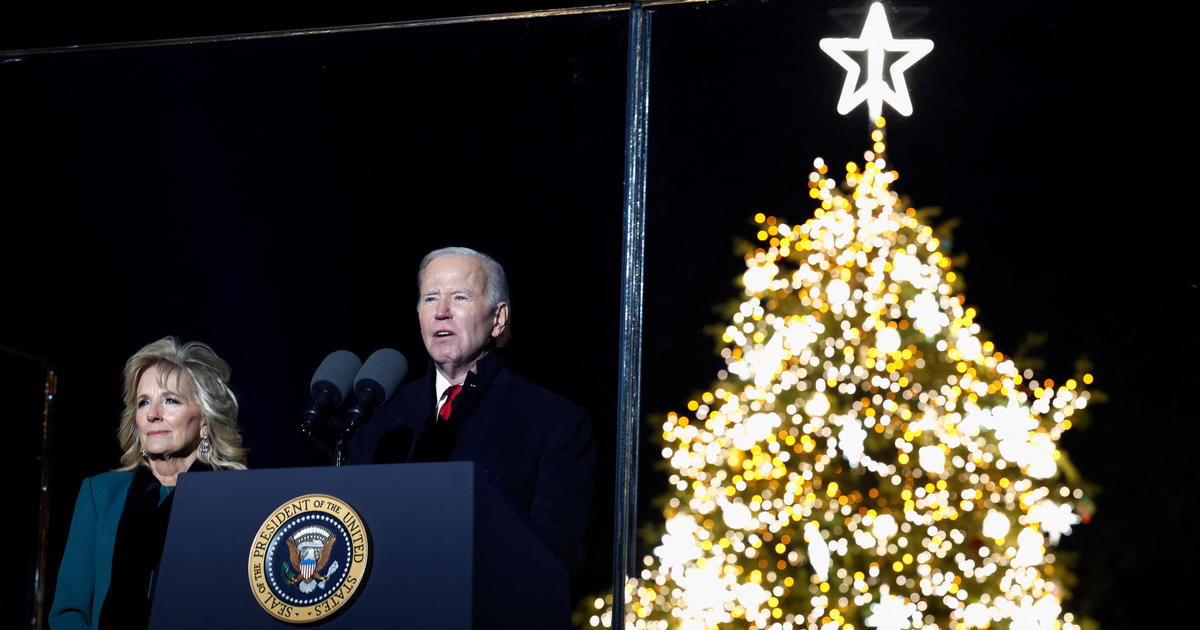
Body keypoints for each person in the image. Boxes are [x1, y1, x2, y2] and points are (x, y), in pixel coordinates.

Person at [348, 247, 595, 575]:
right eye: (431, 298)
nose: (442, 312)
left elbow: (557, 552)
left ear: (498, 318)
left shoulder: (554, 422)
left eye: (460, 298)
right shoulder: (381, 419)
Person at [49, 337, 248, 630]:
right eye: (144, 402)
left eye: (170, 400)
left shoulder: (232, 500)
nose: (153, 414)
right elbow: (68, 611)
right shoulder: (100, 494)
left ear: (204, 419)